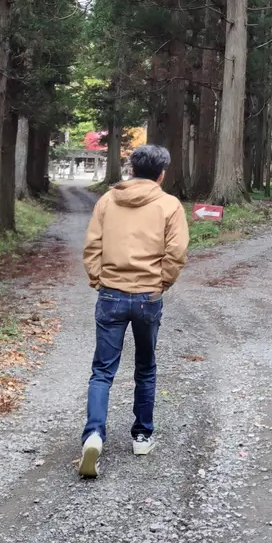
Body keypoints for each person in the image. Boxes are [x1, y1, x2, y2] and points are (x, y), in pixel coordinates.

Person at [78, 143, 189, 478]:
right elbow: (177, 251)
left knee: (102, 370)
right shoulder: (169, 205)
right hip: (147, 297)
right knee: (145, 366)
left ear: (132, 170)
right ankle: (142, 436)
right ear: (161, 174)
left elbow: (92, 245)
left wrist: (98, 279)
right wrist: (161, 283)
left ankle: (93, 435)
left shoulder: (107, 200)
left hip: (111, 294)